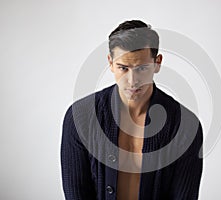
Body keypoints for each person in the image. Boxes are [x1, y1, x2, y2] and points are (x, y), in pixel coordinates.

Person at [61, 20, 203, 200]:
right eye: (123, 68)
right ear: (110, 63)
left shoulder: (185, 126)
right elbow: (76, 194)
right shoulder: (80, 117)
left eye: (142, 68)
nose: (132, 81)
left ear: (157, 63)